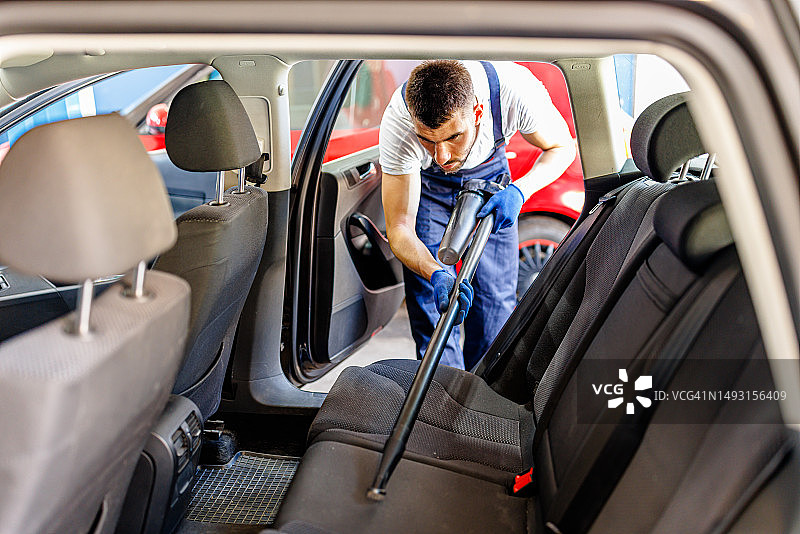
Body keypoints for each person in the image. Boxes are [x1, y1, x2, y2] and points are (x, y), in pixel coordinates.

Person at [379, 60, 576, 370]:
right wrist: (435, 272)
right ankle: (441, 393)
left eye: (453, 137)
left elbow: (562, 147)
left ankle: (482, 394)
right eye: (427, 140)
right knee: (433, 306)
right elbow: (400, 228)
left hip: (492, 186)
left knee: (494, 306)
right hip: (429, 189)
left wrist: (520, 191)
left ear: (478, 113)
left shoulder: (514, 91)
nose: (441, 156)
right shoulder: (399, 122)